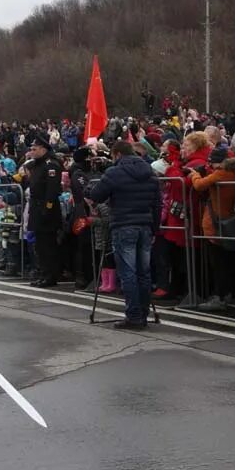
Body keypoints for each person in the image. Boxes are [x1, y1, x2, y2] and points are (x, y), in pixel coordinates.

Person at [88, 140, 161, 329]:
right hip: (145, 225)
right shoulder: (150, 172)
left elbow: (96, 196)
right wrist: (155, 228)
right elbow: (157, 203)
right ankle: (143, 313)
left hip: (123, 224)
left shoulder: (115, 172)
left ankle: (134, 315)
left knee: (128, 273)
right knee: (144, 272)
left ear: (117, 154)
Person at [26, 131, 64, 287]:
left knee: (48, 245)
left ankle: (50, 275)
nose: (32, 152)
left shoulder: (51, 165)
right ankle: (43, 273)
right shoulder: (37, 165)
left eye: (35, 149)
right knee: (40, 245)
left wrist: (46, 209)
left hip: (47, 210)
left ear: (43, 149)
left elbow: (52, 190)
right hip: (36, 208)